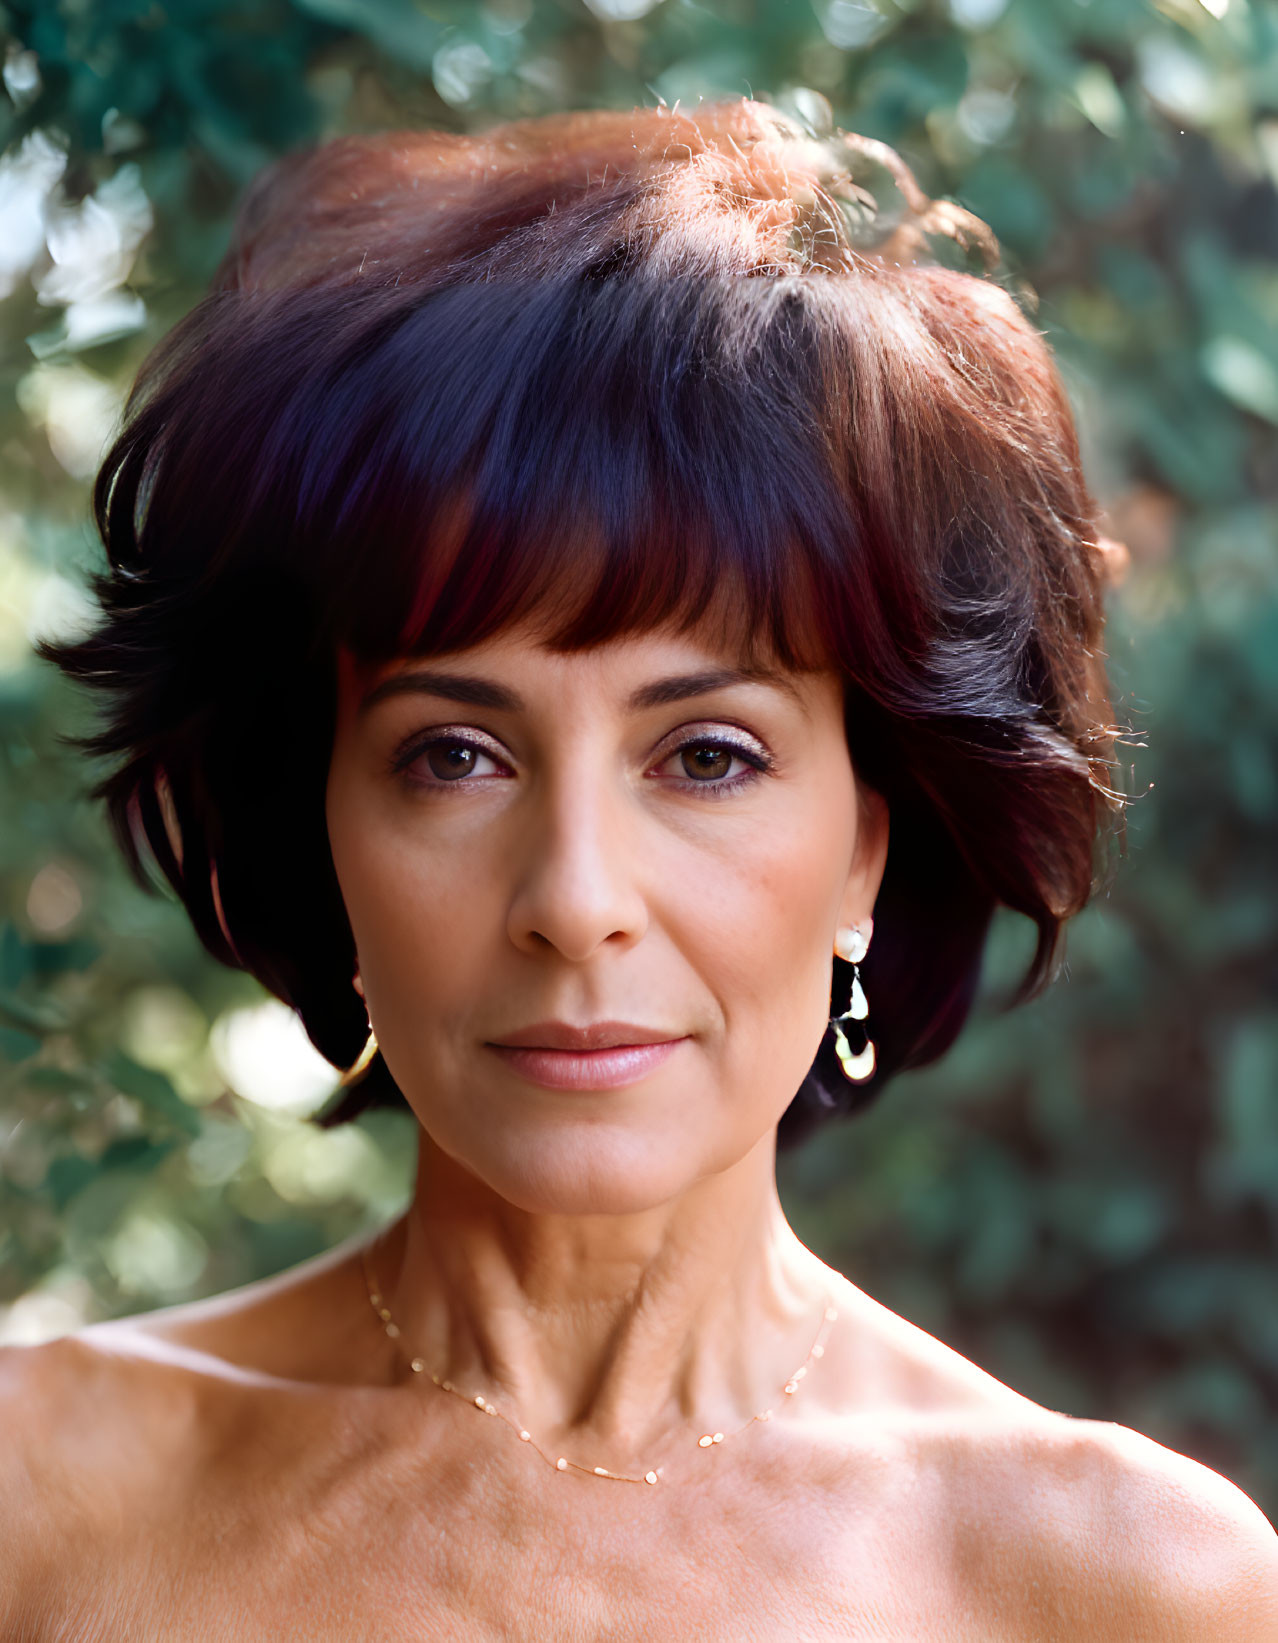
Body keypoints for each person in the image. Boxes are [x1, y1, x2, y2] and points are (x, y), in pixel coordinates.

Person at [3, 99, 1274, 1640]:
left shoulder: (1118, 1588)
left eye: (707, 756)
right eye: (451, 754)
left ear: (867, 841)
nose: (575, 896)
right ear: (319, 824)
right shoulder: (43, 1502)